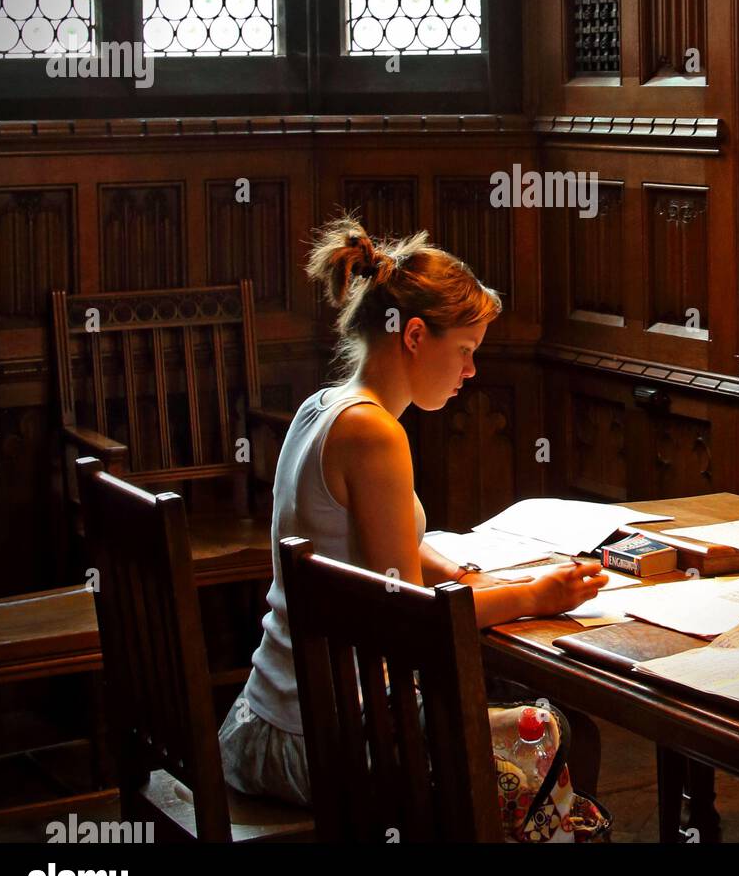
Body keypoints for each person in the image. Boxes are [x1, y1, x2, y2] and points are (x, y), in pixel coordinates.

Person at [218, 215, 607, 807]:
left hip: (269, 719)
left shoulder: (324, 407)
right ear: (416, 335)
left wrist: (456, 575)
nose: (471, 372)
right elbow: (407, 614)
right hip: (323, 743)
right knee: (556, 730)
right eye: (466, 351)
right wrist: (537, 596)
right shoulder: (373, 433)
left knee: (520, 707)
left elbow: (375, 551)